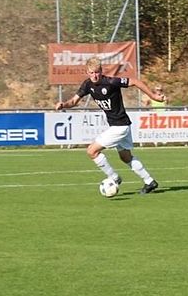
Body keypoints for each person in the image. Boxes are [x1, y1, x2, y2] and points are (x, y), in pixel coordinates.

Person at [55, 57, 166, 194]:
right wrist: (63, 105)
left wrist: (154, 96)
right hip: (122, 125)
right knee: (125, 157)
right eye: (91, 73)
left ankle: (114, 178)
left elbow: (135, 81)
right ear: (87, 72)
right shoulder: (87, 85)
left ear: (101, 71)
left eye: (97, 72)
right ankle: (150, 182)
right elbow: (74, 101)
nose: (94, 75)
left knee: (92, 151)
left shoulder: (111, 82)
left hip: (119, 127)